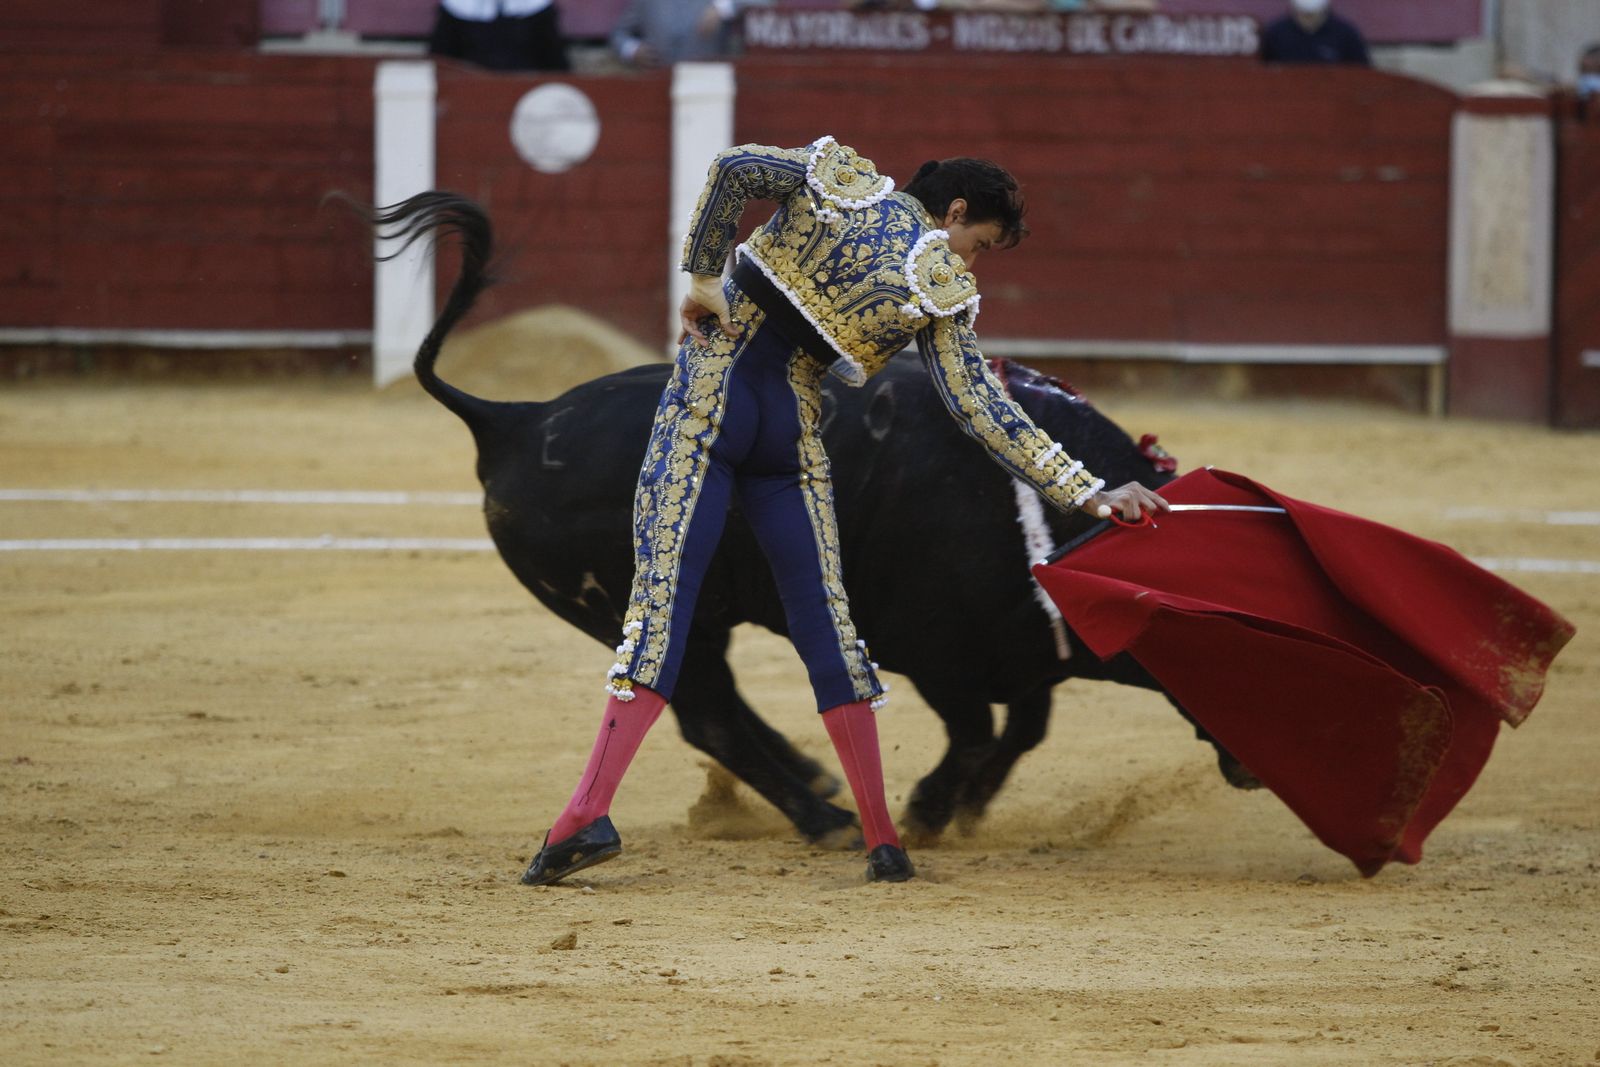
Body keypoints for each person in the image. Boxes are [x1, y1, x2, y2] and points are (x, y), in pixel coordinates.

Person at [520, 136, 1168, 888]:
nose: (973, 262)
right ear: (954, 211)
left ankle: (586, 814)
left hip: (711, 404)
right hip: (791, 437)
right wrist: (1089, 491)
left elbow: (734, 170)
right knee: (830, 625)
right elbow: (982, 407)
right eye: (980, 242)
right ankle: (883, 841)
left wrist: (701, 278)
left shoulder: (841, 180)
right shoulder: (940, 290)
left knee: (660, 611)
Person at [611, 0, 763, 68]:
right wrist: (632, 50)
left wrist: (722, 9)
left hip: (709, 81)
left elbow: (763, 2)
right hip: (658, 80)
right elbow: (619, 34)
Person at [428, 0, 570, 72]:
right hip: (469, 94)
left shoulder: (538, 7)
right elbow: (440, 62)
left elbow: (556, 66)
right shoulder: (456, 7)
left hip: (525, 94)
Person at [1259, 0, 1370, 66]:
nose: (1308, 19)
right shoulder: (1275, 33)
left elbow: (1362, 74)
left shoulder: (1346, 34)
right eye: (1304, 15)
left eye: (1311, 15)